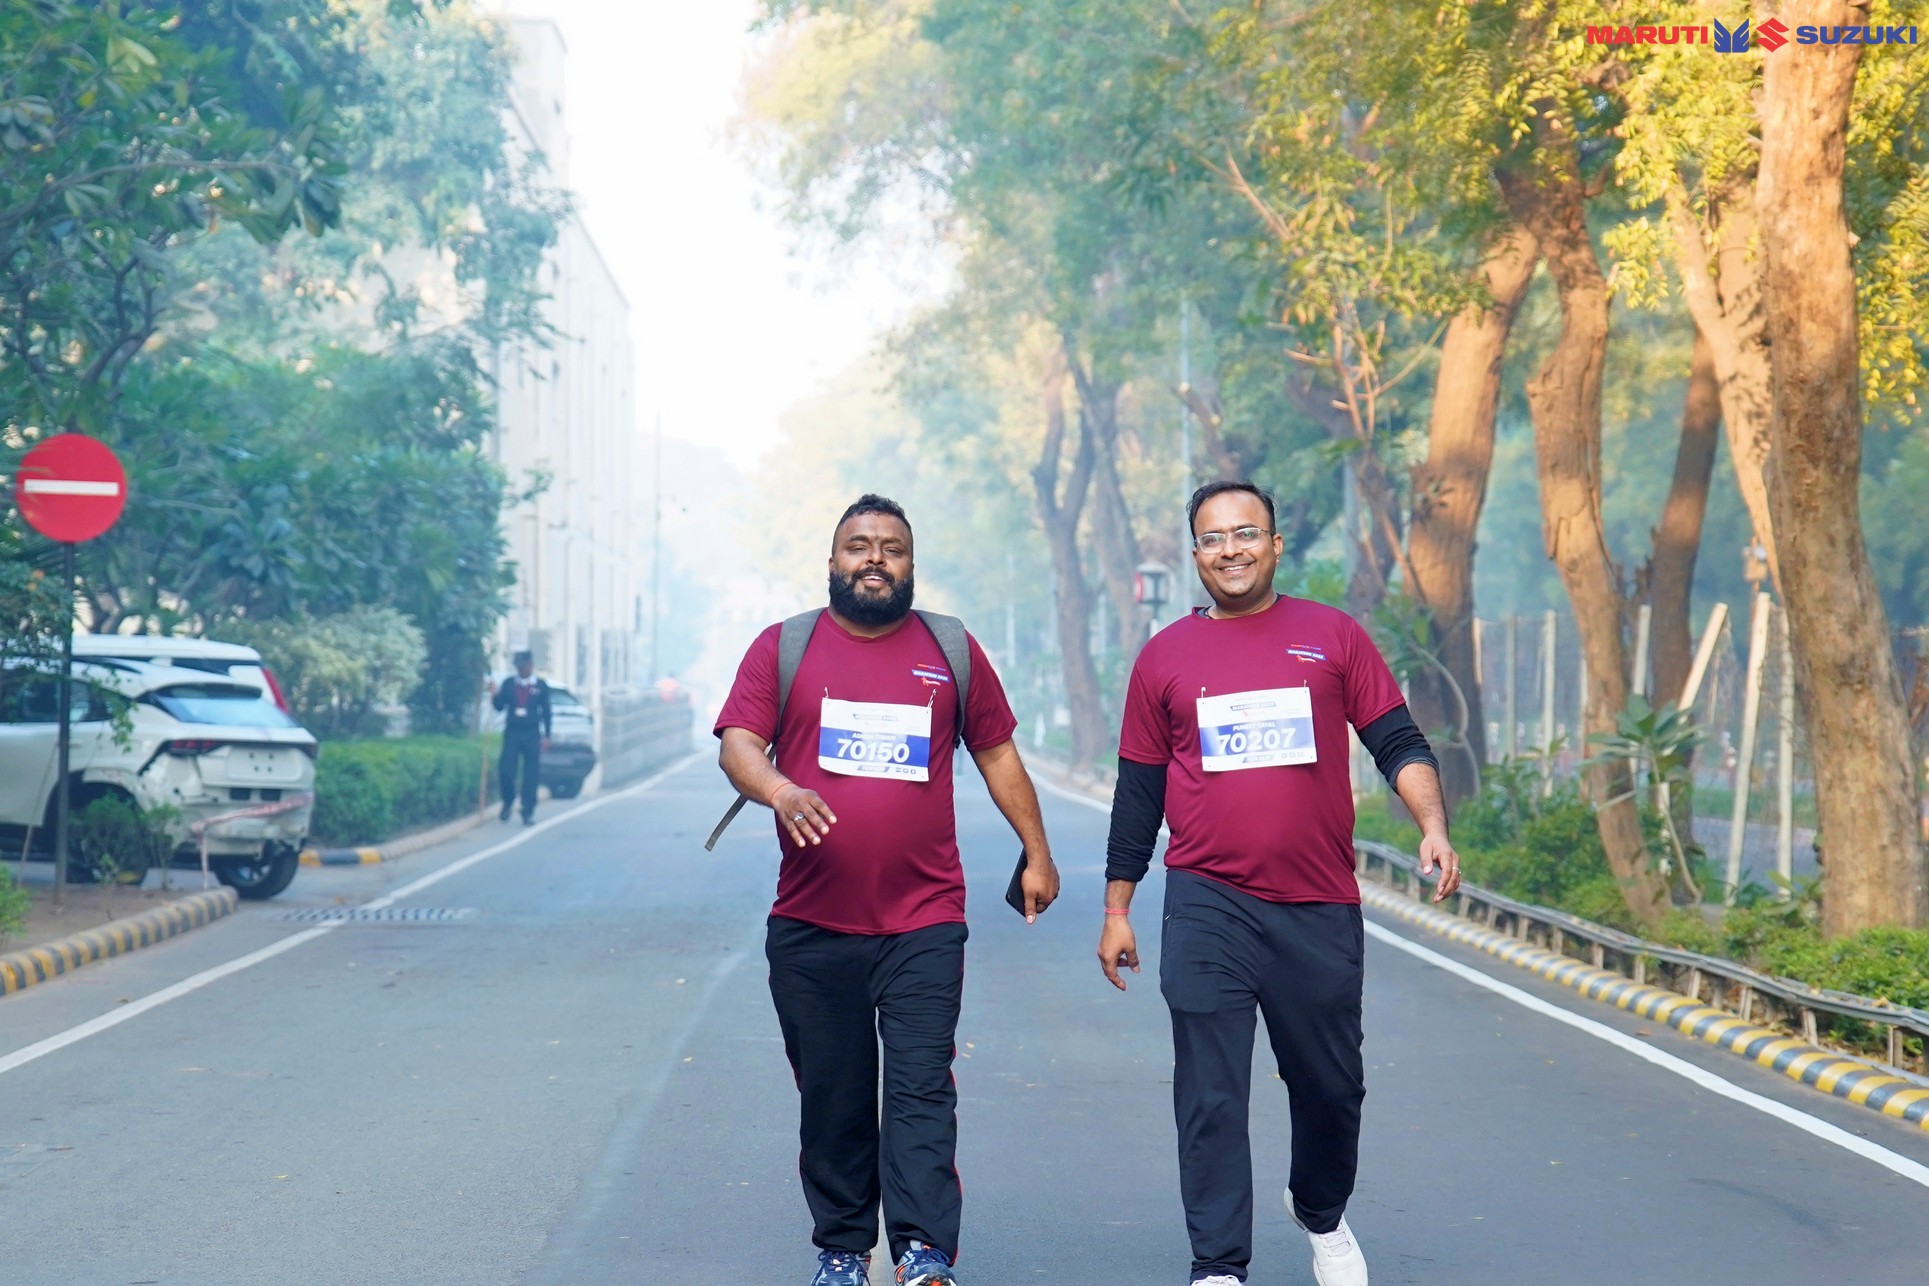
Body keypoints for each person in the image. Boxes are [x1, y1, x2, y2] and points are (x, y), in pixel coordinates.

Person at [1097, 481, 1462, 1286]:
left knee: (1331, 1088)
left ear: (1274, 544)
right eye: (1212, 538)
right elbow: (1137, 795)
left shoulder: (1331, 636)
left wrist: (1431, 826)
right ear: (1195, 553)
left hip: (1316, 903)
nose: (1230, 549)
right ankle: (1217, 1265)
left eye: (1245, 533)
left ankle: (1320, 1211)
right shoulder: (1163, 658)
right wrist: (1117, 906)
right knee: (1210, 1092)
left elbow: (1397, 741)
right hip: (1206, 901)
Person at [715, 494, 1060, 1286]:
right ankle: (842, 1249)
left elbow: (997, 753)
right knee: (832, 1097)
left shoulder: (950, 649)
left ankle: (921, 1250)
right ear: (832, 562)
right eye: (858, 545)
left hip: (923, 920)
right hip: (811, 922)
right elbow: (738, 744)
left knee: (919, 1091)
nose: (874, 558)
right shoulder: (784, 646)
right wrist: (779, 790)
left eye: (891, 548)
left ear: (909, 564)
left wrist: (1037, 853)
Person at [492, 650, 551, 825]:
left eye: (524, 666)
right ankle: (508, 800)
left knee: (531, 773)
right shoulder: (509, 684)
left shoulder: (540, 686)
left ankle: (528, 810)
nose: (521, 670)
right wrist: (494, 694)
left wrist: (547, 735)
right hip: (513, 731)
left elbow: (546, 712)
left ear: (531, 666)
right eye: (518, 667)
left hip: (532, 732)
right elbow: (499, 706)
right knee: (506, 770)